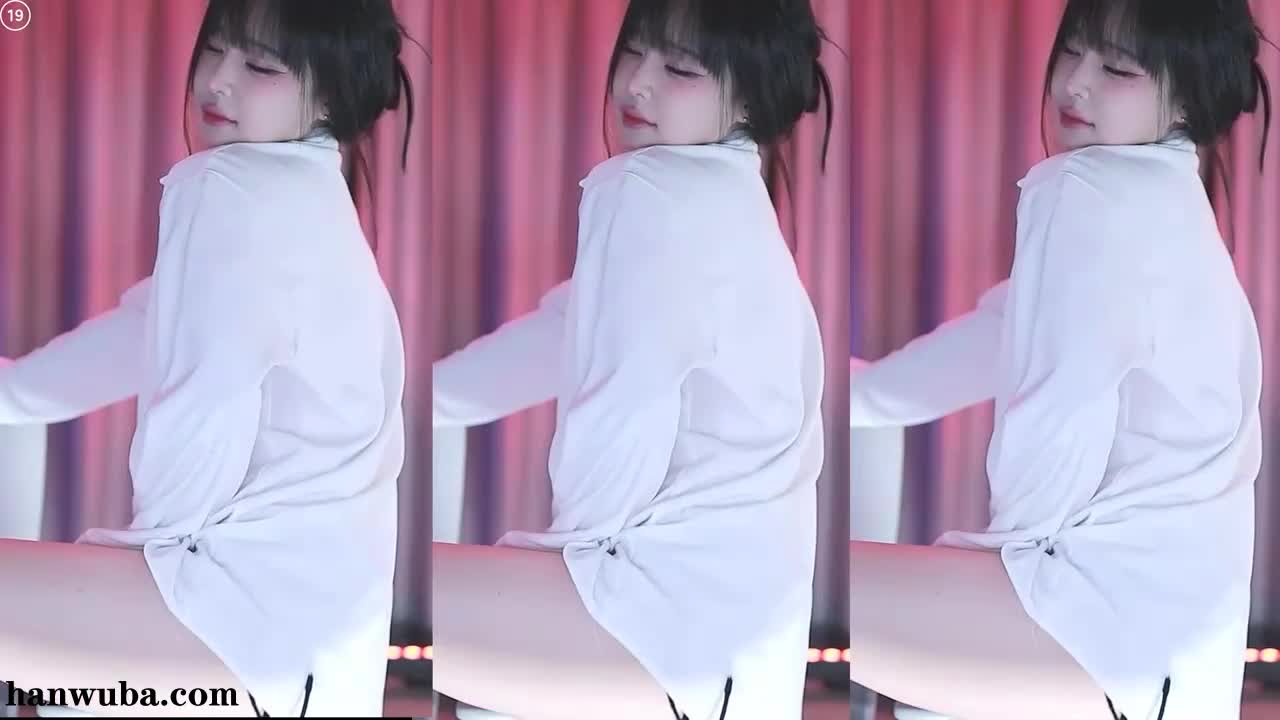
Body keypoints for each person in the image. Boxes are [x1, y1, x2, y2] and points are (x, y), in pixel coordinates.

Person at [848, 1, 1271, 718]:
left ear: (1186, 101)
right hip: (1170, 653)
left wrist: (982, 580)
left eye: (1117, 69)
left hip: (1096, 630)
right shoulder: (1162, 203)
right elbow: (981, 345)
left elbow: (1056, 421)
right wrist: (843, 396)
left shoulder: (1092, 194)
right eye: (1072, 51)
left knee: (775, 591)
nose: (1075, 83)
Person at [0, 0, 414, 716]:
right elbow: (122, 342)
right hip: (314, 662)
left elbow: (199, 419)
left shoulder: (231, 189)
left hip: (225, 632)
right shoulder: (309, 201)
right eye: (216, 49)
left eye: (259, 66)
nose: (217, 80)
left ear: (328, 98)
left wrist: (112, 607)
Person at [431, 1, 834, 718]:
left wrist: (550, 594)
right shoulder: (730, 206)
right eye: (633, 52)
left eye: (679, 68)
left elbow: (618, 426)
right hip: (739, 653)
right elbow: (542, 345)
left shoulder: (652, 194)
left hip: (656, 632)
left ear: (748, 98)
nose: (636, 83)